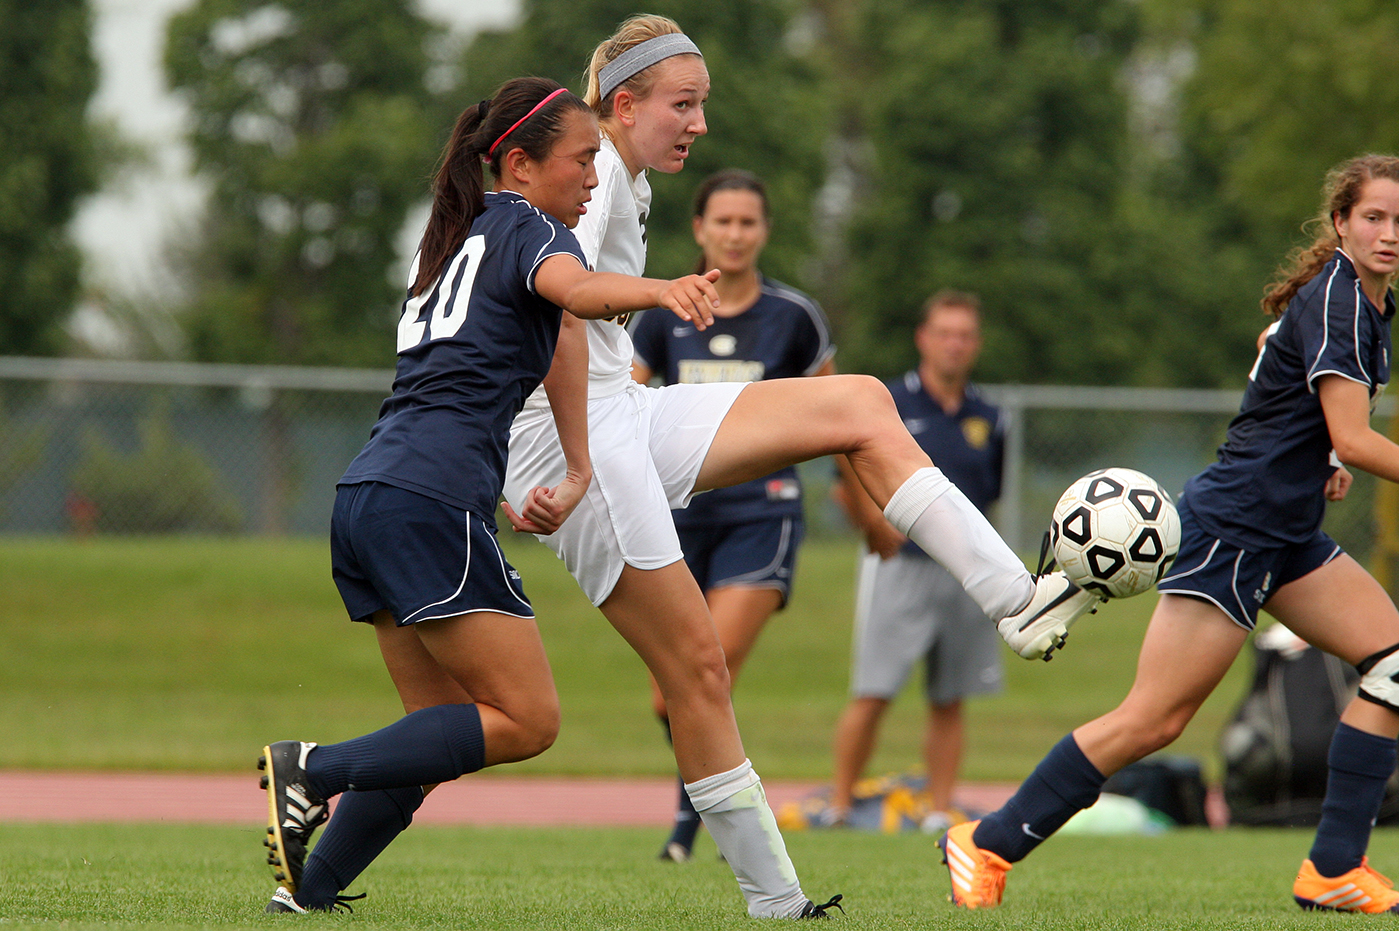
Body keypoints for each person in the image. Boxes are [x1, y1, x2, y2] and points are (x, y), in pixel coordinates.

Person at [499, 13, 1097, 919]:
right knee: (698, 670)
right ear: (625, 104)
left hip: (626, 411)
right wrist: (570, 466)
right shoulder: (597, 176)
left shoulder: (620, 172)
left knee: (858, 401)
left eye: (703, 105)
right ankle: (777, 899)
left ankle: (1016, 597)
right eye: (684, 104)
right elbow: (556, 324)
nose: (700, 124)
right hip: (575, 437)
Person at [939, 154, 1399, 914]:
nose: (1389, 233)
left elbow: (1282, 369)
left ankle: (1333, 867)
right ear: (1341, 222)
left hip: (1286, 531)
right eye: (1373, 217)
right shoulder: (1339, 297)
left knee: (1396, 666)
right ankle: (988, 841)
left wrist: (1324, 454)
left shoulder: (1361, 302)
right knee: (1154, 719)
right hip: (1235, 529)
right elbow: (1357, 434)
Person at [256, 76, 722, 914]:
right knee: (527, 719)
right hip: (432, 497)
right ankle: (310, 769)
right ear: (518, 163)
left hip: (368, 494)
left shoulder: (452, 237)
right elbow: (579, 297)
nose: (592, 177)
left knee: (429, 733)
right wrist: (661, 290)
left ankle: (309, 892)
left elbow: (558, 336)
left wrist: (576, 469)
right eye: (583, 158)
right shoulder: (532, 225)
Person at [628, 168, 837, 864]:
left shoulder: (795, 318)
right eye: (723, 221)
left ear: (765, 230)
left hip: (763, 513)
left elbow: (839, 414)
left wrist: (871, 507)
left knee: (707, 665)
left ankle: (694, 830)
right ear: (699, 229)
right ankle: (722, 811)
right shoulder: (662, 315)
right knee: (668, 696)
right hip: (678, 516)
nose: (736, 233)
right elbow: (619, 413)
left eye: (748, 222)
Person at [825, 291, 1006, 834]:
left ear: (975, 344)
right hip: (901, 566)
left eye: (965, 335)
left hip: (963, 572)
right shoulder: (891, 403)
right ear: (923, 338)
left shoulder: (990, 417)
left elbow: (988, 494)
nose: (955, 345)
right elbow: (846, 482)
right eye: (944, 333)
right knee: (874, 690)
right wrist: (872, 527)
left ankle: (940, 808)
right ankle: (837, 805)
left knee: (951, 696)